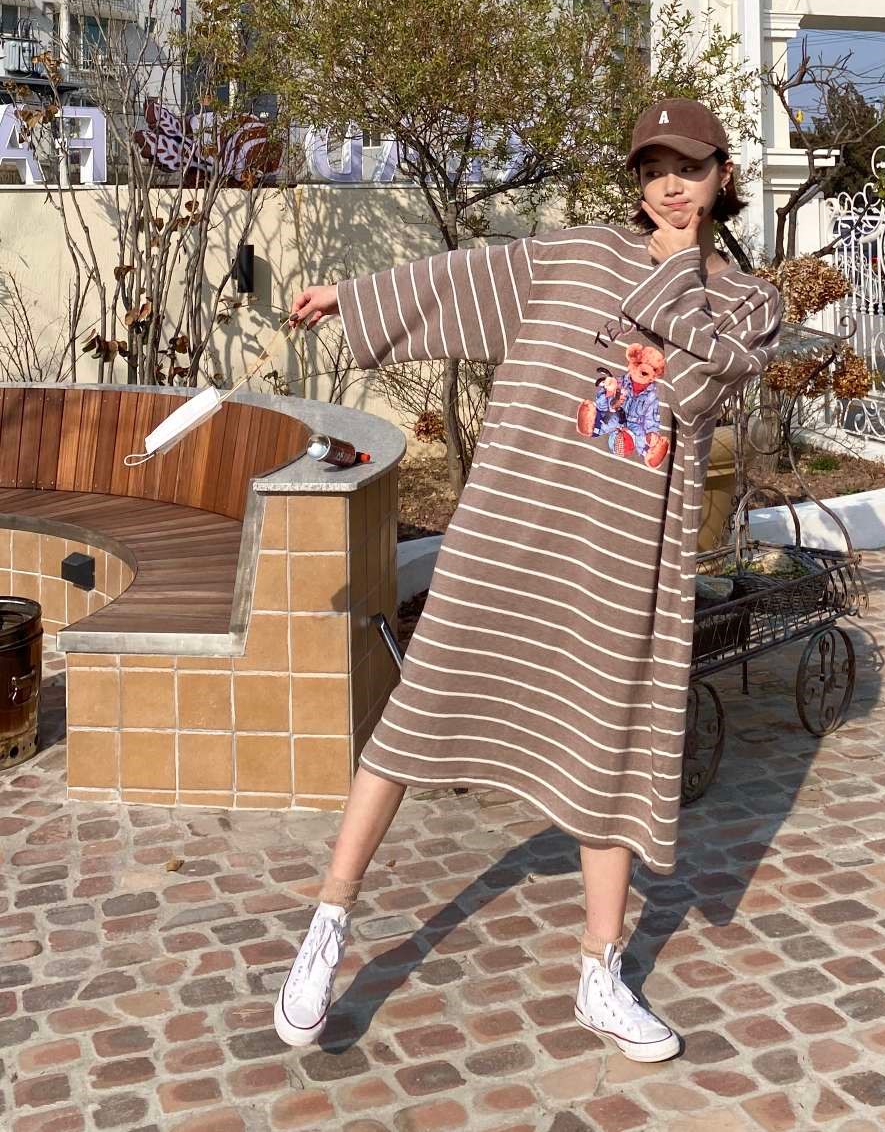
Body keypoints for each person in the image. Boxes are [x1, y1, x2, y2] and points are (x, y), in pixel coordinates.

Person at [275, 97, 783, 1061]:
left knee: (609, 744)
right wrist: (353, 296)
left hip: (625, 553)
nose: (670, 186)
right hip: (511, 521)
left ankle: (600, 971)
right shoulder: (581, 253)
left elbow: (690, 385)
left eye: (690, 167)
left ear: (724, 175)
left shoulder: (747, 304)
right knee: (418, 713)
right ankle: (328, 926)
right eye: (653, 169)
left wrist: (679, 260)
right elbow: (466, 281)